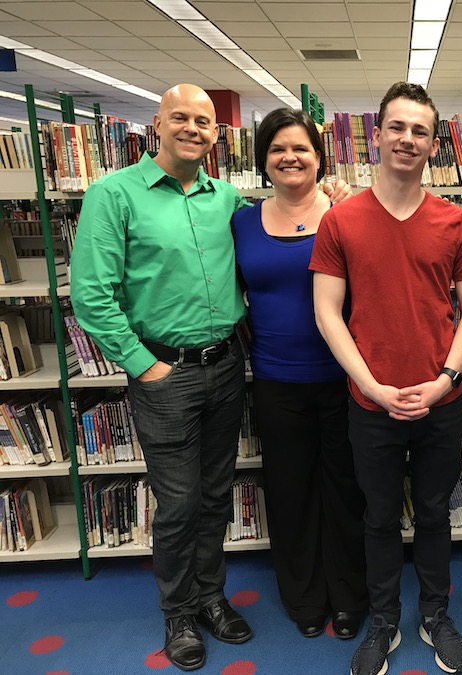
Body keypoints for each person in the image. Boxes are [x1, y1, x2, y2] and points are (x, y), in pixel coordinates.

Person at [69, 84, 351, 672]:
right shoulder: (112, 195)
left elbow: (287, 222)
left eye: (204, 120)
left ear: (218, 135)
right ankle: (179, 613)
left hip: (226, 365)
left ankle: (211, 595)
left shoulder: (228, 201)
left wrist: (333, 193)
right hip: (162, 369)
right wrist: (142, 363)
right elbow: (92, 296)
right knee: (177, 502)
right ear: (157, 123)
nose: (193, 128)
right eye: (181, 118)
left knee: (216, 496)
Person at [310, 82, 462, 675]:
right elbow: (327, 312)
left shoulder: (456, 223)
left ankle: (435, 614)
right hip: (370, 400)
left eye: (419, 131)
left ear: (433, 145)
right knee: (379, 516)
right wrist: (373, 386)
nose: (407, 139)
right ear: (377, 135)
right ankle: (383, 620)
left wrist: (444, 378)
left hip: (442, 399)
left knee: (434, 512)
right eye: (397, 127)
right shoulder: (342, 221)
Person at [232, 109, 368, 641]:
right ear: (263, 160)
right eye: (276, 149)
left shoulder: (349, 212)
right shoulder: (241, 220)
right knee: (289, 491)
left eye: (301, 148)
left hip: (345, 377)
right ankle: (304, 597)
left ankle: (349, 595)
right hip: (275, 379)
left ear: (319, 157)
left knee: (346, 488)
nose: (290, 157)